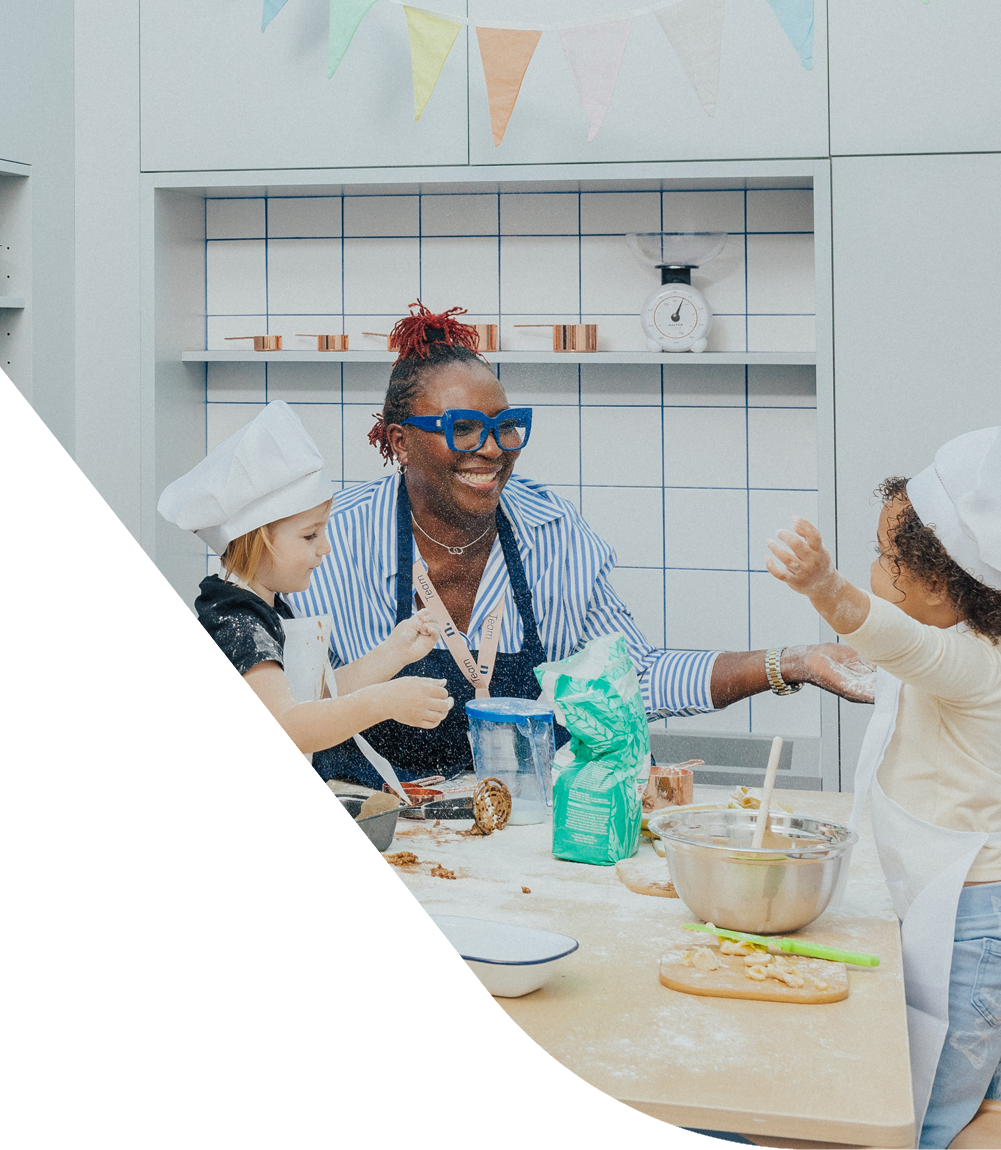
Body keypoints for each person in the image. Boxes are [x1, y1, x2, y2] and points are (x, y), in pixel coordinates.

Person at [55, 303, 876, 781]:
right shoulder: (317, 543)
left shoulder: (552, 536)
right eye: (462, 429)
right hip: (361, 839)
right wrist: (161, 649)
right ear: (396, 440)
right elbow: (261, 687)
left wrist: (785, 664)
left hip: (519, 844)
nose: (493, 448)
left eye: (506, 426)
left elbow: (631, 677)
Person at [118, 400, 450, 1150]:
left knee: (275, 997)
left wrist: (397, 652)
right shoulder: (234, 625)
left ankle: (278, 1129)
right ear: (256, 539)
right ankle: (269, 1133)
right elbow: (292, 726)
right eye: (309, 534)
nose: (324, 548)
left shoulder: (265, 612)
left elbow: (317, 696)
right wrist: (386, 702)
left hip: (242, 843)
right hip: (199, 855)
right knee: (270, 996)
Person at [765, 426, 1001, 1150]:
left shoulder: (974, 665)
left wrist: (822, 587)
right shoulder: (968, 648)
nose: (870, 568)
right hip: (945, 900)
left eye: (880, 558)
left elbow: (899, 643)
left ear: (940, 582)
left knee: (923, 1107)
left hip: (971, 919)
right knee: (955, 1092)